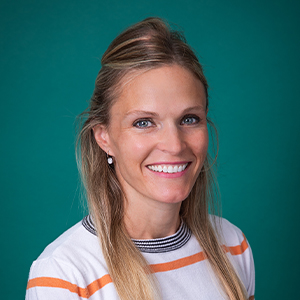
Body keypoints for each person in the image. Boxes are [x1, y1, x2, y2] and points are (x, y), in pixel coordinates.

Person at [25, 17, 255, 300]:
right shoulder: (65, 274)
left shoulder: (233, 245)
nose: (174, 145)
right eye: (144, 122)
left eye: (189, 118)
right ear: (104, 137)